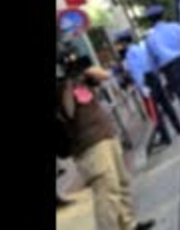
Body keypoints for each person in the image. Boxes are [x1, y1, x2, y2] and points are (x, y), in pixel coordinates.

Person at [55, 44, 154, 230]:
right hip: (90, 146)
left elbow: (105, 75)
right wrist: (69, 82)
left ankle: (129, 224)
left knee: (122, 183)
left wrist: (82, 69)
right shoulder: (60, 87)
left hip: (107, 135)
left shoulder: (84, 78)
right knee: (107, 192)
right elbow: (69, 111)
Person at [116, 31, 180, 153]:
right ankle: (178, 127)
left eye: (120, 43)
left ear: (124, 42)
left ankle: (165, 137)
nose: (119, 46)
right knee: (166, 105)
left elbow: (136, 72)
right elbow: (152, 63)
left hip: (145, 81)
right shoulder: (141, 48)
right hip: (153, 77)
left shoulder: (130, 54)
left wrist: (141, 86)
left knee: (153, 111)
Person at [143, 6, 180, 113]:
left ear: (150, 21)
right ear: (163, 15)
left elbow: (152, 63)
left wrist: (157, 74)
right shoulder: (176, 27)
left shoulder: (150, 39)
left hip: (170, 70)